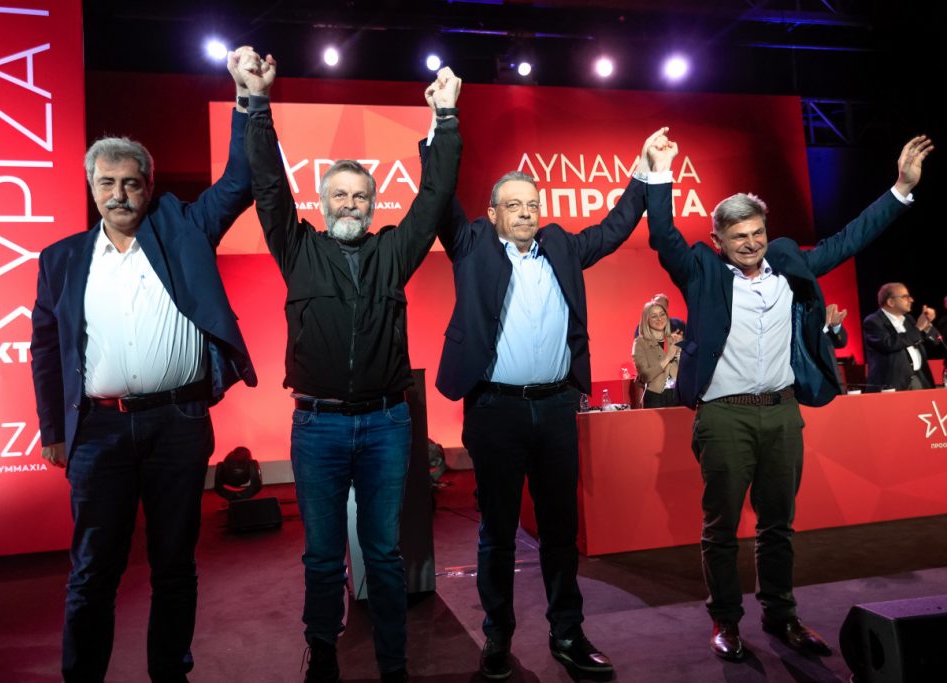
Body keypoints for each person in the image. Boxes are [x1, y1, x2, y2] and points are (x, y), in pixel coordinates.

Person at [645, 131, 933, 662]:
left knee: (778, 526)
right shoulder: (702, 272)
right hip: (724, 416)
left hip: (781, 412)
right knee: (721, 529)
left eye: (757, 232)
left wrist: (900, 188)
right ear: (718, 240)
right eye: (738, 236)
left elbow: (848, 239)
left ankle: (781, 615)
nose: (751, 243)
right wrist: (660, 173)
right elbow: (663, 236)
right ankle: (725, 621)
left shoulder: (787, 266)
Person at [29, 48, 261, 683]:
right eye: (107, 183)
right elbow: (45, 348)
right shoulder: (61, 259)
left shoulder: (183, 228)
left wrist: (247, 100)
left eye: (131, 182)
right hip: (98, 430)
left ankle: (170, 675)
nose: (119, 194)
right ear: (92, 188)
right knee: (93, 570)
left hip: (178, 423)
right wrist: (54, 429)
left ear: (149, 185)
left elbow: (239, 182)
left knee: (174, 565)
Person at [241, 57, 462, 683]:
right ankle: (324, 657)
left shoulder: (394, 249)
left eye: (360, 195)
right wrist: (257, 104)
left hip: (388, 424)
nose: (350, 203)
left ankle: (393, 663)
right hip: (318, 427)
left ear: (371, 204)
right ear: (322, 202)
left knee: (384, 554)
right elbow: (268, 187)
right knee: (320, 556)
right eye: (339, 194)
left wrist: (446, 118)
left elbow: (434, 198)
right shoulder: (296, 247)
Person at [433, 127, 671, 681]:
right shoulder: (471, 245)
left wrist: (644, 171)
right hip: (495, 411)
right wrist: (441, 125)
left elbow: (613, 228)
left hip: (557, 409)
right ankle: (497, 637)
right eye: (513, 205)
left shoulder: (560, 246)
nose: (525, 213)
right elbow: (440, 195)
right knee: (497, 531)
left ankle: (568, 632)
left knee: (560, 531)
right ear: (493, 214)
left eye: (532, 204)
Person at [862, 283, 939, 390]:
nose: (911, 300)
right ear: (890, 302)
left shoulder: (909, 319)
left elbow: (936, 342)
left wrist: (927, 326)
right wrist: (918, 328)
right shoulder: (873, 321)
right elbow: (889, 344)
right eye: (905, 297)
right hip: (893, 384)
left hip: (918, 379)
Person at [632, 300, 683, 408]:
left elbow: (687, 371)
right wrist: (668, 357)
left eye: (662, 314)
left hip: (679, 395)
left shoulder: (675, 340)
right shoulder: (640, 343)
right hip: (655, 398)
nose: (659, 319)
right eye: (654, 316)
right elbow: (645, 376)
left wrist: (681, 358)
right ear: (646, 319)